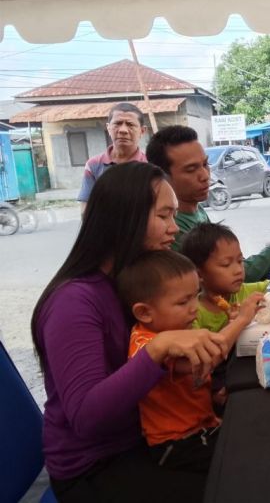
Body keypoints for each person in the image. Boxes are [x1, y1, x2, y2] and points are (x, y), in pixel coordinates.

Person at [32, 162, 228, 502]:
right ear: (125, 219)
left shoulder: (132, 283)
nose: (174, 229)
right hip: (97, 465)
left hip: (149, 436)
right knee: (238, 481)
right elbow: (87, 417)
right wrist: (158, 348)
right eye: (164, 216)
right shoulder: (73, 302)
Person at [117, 250, 264, 473]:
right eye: (183, 302)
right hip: (179, 441)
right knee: (251, 453)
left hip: (203, 421)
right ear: (145, 312)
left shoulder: (170, 328)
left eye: (196, 295)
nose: (194, 307)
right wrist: (242, 320)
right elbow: (209, 358)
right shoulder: (150, 345)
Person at [145, 125, 270, 282]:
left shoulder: (197, 208)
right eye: (191, 169)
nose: (205, 175)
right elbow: (222, 278)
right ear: (163, 176)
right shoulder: (171, 230)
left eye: (205, 164)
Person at [180, 222, 270, 333]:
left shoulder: (244, 292)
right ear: (199, 275)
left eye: (240, 261)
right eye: (226, 264)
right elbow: (208, 353)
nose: (239, 270)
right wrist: (237, 323)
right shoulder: (193, 314)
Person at [77, 102, 148, 211]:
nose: (123, 130)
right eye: (117, 123)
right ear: (108, 128)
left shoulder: (151, 165)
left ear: (142, 131)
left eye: (130, 124)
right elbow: (86, 208)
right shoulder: (94, 165)